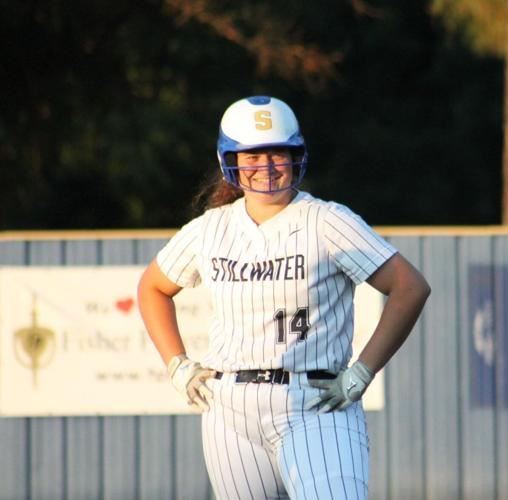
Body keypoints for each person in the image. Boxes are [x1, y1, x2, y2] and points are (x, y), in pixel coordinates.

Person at [137, 95, 430, 499]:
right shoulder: (210, 229)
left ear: (297, 155)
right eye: (253, 155)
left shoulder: (327, 221)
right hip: (231, 411)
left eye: (279, 152)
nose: (267, 166)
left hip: (316, 403)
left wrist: (362, 371)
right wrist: (177, 365)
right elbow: (152, 288)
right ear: (230, 161)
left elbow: (410, 287)